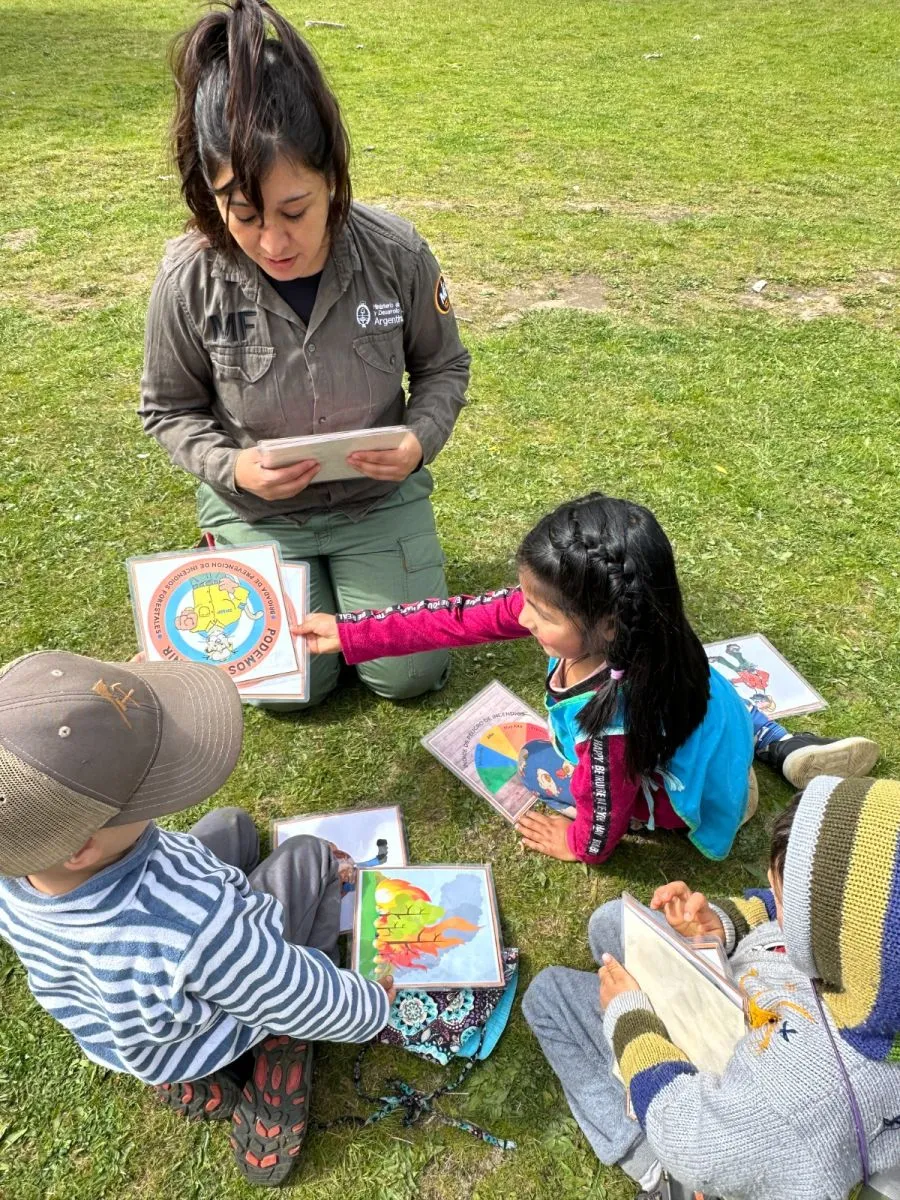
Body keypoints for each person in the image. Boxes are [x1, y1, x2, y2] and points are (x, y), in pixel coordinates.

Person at [139, 0, 470, 708]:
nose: (273, 242)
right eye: (244, 214)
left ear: (333, 181)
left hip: (374, 504)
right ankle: (243, 557)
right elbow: (168, 409)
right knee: (289, 690)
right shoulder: (187, 276)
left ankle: (358, 585)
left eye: (295, 211)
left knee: (408, 676)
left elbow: (443, 365)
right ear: (210, 195)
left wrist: (419, 440)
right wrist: (233, 469)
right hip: (256, 512)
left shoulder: (397, 253)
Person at [299, 492, 878, 865]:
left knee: (554, 774)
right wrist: (353, 634)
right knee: (723, 708)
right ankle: (780, 746)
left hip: (693, 790)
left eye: (539, 613)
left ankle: (748, 778)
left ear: (605, 625)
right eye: (523, 598)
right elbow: (457, 618)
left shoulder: (607, 727)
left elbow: (606, 808)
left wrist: (579, 846)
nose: (521, 617)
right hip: (713, 728)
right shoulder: (650, 629)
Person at [0, 650, 395, 1187]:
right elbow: (288, 988)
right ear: (83, 846)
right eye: (142, 786)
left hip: (133, 1035)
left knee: (230, 826)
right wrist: (369, 1006)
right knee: (310, 856)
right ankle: (280, 1043)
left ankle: (178, 1074)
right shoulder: (194, 923)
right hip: (212, 1023)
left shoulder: (18, 865)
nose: (159, 780)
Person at [522, 774, 900, 1200]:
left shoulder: (806, 1098)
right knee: (610, 922)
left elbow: (693, 1140)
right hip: (738, 1007)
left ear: (835, 939)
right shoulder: (875, 962)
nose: (773, 900)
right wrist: (721, 925)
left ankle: (653, 1168)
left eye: (785, 900)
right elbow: (769, 908)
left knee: (547, 996)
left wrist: (631, 1021)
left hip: (701, 1120)